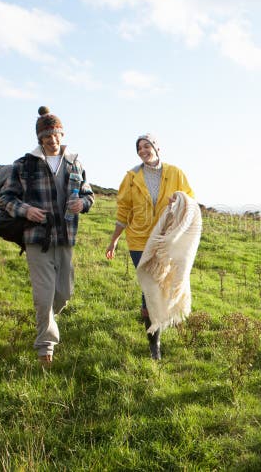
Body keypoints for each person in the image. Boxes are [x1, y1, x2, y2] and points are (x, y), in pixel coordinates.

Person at [0, 106, 94, 368]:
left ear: (62, 135)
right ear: (40, 139)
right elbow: (6, 198)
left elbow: (89, 194)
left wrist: (83, 204)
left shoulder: (75, 161)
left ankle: (46, 320)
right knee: (43, 296)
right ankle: (45, 349)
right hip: (37, 240)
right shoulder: (24, 164)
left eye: (56, 136)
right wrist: (26, 210)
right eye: (46, 137)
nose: (52, 141)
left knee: (63, 293)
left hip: (66, 239)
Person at [105, 133, 194, 360]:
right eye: (139, 148)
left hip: (166, 239)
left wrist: (180, 199)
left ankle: (159, 323)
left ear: (156, 148)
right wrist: (114, 239)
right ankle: (154, 344)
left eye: (147, 146)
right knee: (150, 288)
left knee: (163, 286)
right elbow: (124, 211)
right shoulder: (132, 177)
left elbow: (190, 200)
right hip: (139, 241)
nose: (143, 150)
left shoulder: (175, 173)